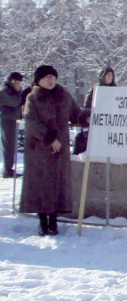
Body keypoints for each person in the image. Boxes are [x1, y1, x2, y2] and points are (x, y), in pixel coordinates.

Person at [20, 66, 81, 236]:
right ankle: (42, 222)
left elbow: (76, 114)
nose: (50, 80)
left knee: (57, 185)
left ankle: (53, 221)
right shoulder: (33, 97)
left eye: (53, 76)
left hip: (59, 151)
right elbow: (31, 122)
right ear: (38, 80)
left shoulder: (64, 95)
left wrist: (88, 117)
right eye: (46, 77)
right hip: (39, 150)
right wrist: (49, 138)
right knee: (41, 185)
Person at [0, 72, 24, 178]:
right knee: (9, 145)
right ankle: (7, 171)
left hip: (10, 119)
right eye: (17, 83)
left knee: (11, 145)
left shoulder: (9, 90)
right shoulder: (5, 90)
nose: (18, 85)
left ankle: (8, 169)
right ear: (12, 81)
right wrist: (19, 93)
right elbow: (15, 102)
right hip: (6, 120)